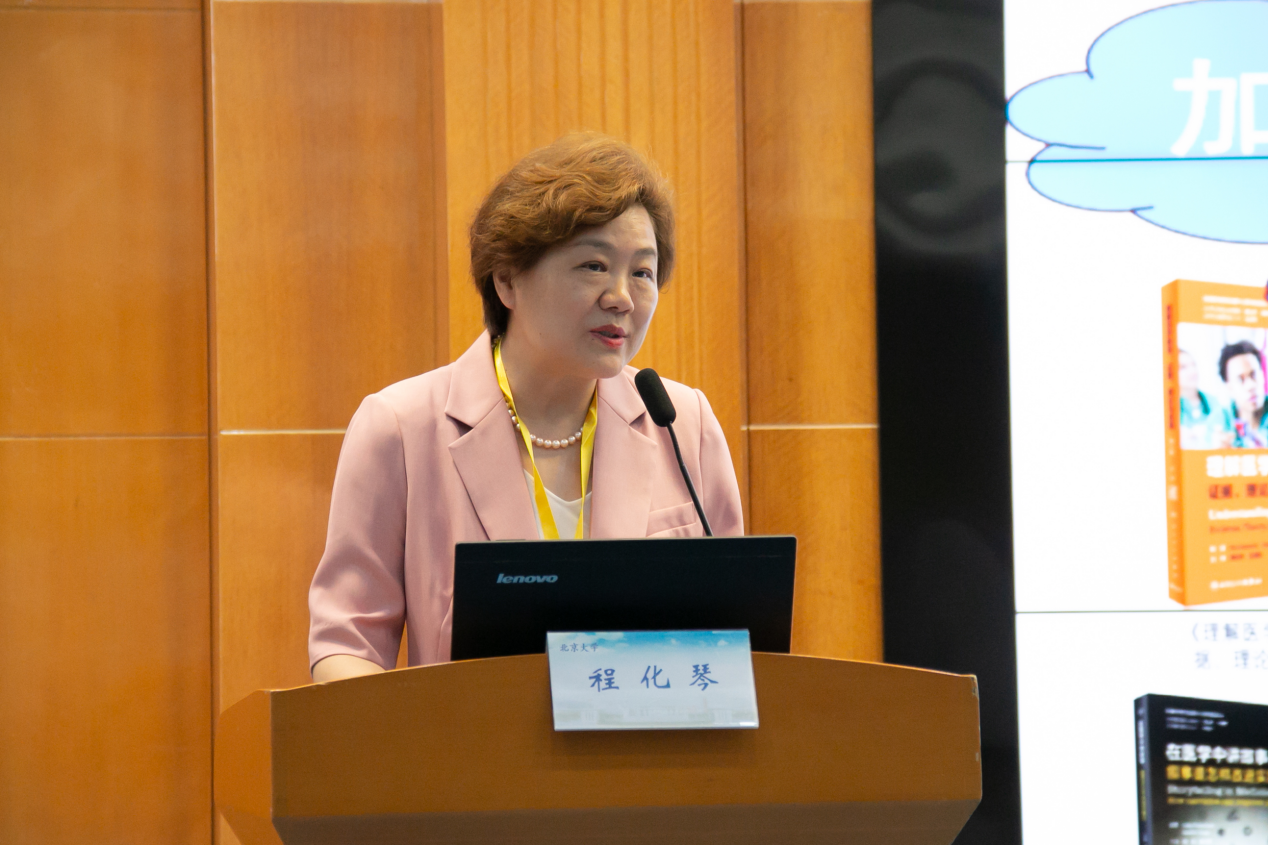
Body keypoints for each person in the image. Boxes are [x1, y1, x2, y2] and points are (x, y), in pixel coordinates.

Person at [308, 134, 744, 682]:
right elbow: (345, 645)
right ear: (508, 280)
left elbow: (736, 634)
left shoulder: (681, 421)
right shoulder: (400, 427)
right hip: (471, 736)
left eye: (642, 272)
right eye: (593, 265)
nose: (621, 297)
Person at [1177, 349, 1232, 449]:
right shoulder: (1169, 409)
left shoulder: (1214, 403)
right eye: (1183, 367)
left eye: (1193, 365)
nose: (1192, 371)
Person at [1219, 340, 1268, 448]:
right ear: (1229, 387)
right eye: (1240, 380)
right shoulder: (1218, 422)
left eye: (1254, 375)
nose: (1251, 385)